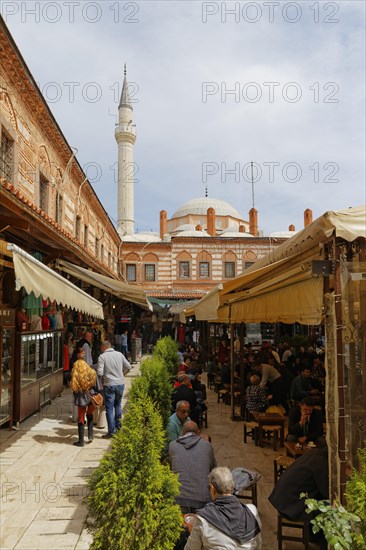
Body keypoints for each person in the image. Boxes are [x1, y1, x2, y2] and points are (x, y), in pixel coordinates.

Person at [184, 466, 261, 549]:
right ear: (232, 486)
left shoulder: (203, 518)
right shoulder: (252, 511)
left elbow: (190, 548)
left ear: (212, 489)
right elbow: (258, 546)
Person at [268, 446, 329, 522]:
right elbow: (326, 492)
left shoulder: (314, 452)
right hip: (290, 507)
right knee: (330, 509)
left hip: (281, 500)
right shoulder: (322, 461)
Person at [169, 421, 217, 512]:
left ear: (182, 432)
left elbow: (172, 468)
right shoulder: (207, 445)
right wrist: (206, 444)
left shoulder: (172, 445)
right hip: (201, 500)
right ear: (198, 432)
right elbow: (214, 470)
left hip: (178, 499)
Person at [97, 340, 131, 438]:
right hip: (120, 384)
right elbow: (128, 366)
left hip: (109, 385)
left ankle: (111, 432)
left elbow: (99, 373)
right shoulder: (119, 354)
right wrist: (122, 375)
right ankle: (119, 428)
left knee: (109, 409)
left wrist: (104, 380)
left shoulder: (102, 357)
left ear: (103, 347)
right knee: (118, 406)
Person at [70, 347, 97, 447]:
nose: (83, 354)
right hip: (90, 394)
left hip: (81, 395)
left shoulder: (76, 365)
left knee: (81, 417)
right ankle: (90, 435)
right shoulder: (87, 365)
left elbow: (74, 383)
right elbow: (93, 376)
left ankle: (81, 441)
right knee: (90, 414)